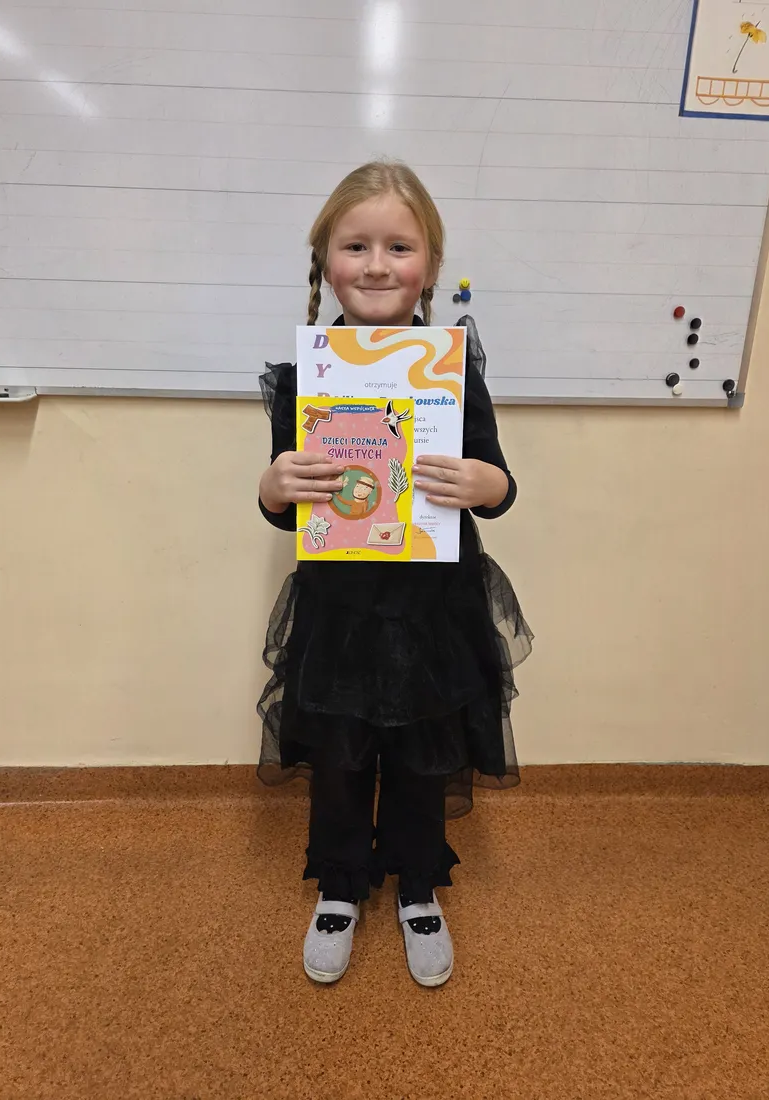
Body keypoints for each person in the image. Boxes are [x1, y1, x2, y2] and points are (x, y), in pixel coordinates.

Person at [257, 161, 532, 987]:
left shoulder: (452, 371)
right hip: (340, 606)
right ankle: (340, 885)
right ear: (325, 260)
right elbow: (286, 506)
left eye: (398, 247)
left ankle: (417, 885)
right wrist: (273, 486)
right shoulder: (307, 375)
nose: (376, 265)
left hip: (431, 606)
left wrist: (486, 483)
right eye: (355, 246)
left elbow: (498, 487)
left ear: (430, 265)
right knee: (340, 758)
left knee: (420, 752)